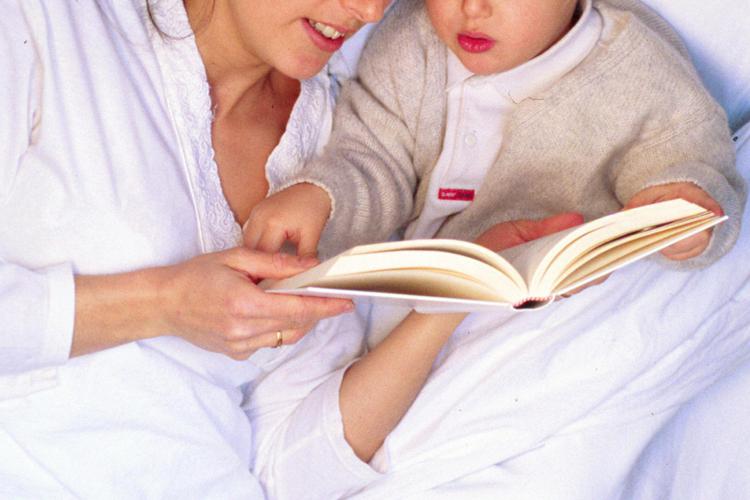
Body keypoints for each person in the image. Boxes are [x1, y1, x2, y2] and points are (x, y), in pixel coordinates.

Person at [0, 1, 584, 498]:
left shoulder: (341, 154)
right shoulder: (50, 24)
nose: (371, 10)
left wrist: (459, 289)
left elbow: (289, 465)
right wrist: (164, 303)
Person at [245, 0, 744, 269]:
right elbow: (375, 155)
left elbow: (693, 156)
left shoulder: (632, 64)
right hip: (418, 297)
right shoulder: (411, 40)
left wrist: (683, 207)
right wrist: (322, 197)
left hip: (543, 309)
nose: (472, 8)